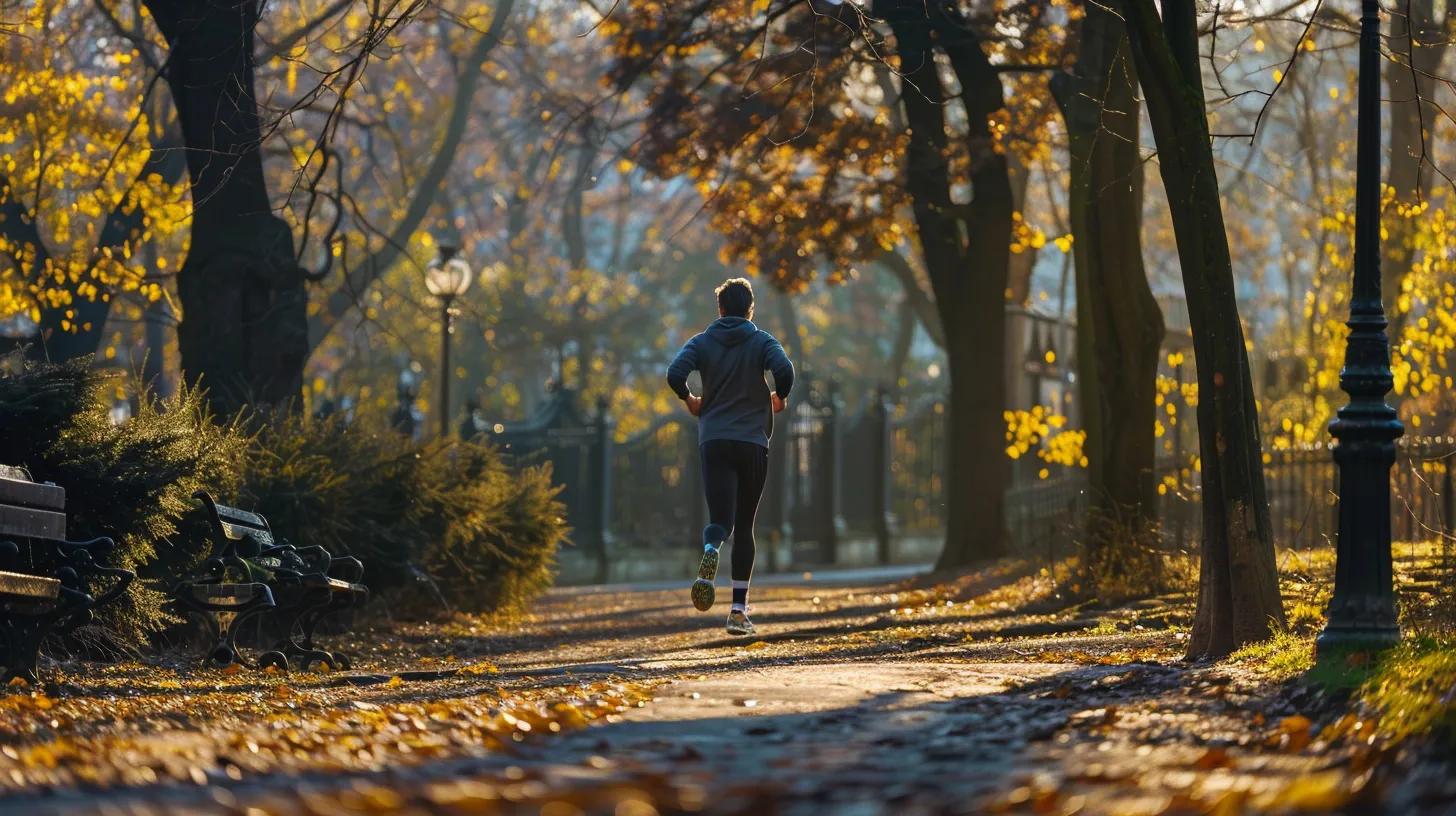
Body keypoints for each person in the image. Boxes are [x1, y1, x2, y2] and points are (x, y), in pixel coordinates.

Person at [666, 278, 794, 636]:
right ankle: (738, 612)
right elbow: (784, 371)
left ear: (720, 309)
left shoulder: (702, 342)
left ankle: (710, 547)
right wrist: (779, 397)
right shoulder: (762, 341)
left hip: (715, 440)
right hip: (752, 442)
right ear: (750, 309)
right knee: (745, 527)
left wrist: (691, 399)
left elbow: (675, 373)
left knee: (721, 522)